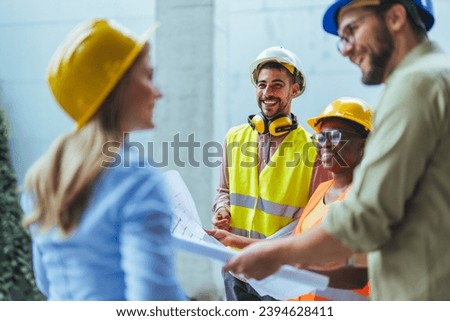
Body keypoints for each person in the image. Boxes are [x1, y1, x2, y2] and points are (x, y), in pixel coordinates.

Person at [224, 0, 450, 300]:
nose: (345, 49)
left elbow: (365, 218)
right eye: (342, 39)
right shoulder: (436, 77)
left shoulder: (417, 84)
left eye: (352, 30)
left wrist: (277, 254)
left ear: (396, 17)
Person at [21, 18, 186, 300]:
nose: (157, 92)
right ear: (117, 87)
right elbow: (154, 302)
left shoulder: (44, 176)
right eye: (147, 76)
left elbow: (47, 284)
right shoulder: (138, 181)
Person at [209, 97, 372, 301]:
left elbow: (357, 276)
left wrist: (284, 268)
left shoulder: (367, 200)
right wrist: (236, 241)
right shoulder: (323, 190)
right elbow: (296, 244)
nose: (325, 145)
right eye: (321, 137)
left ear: (363, 145)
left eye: (336, 136)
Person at [211, 46, 331, 301]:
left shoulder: (314, 150)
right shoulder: (234, 138)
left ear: (294, 90)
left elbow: (311, 223)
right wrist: (222, 210)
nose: (267, 93)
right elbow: (223, 191)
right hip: (236, 267)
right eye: (262, 84)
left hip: (278, 274)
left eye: (277, 85)